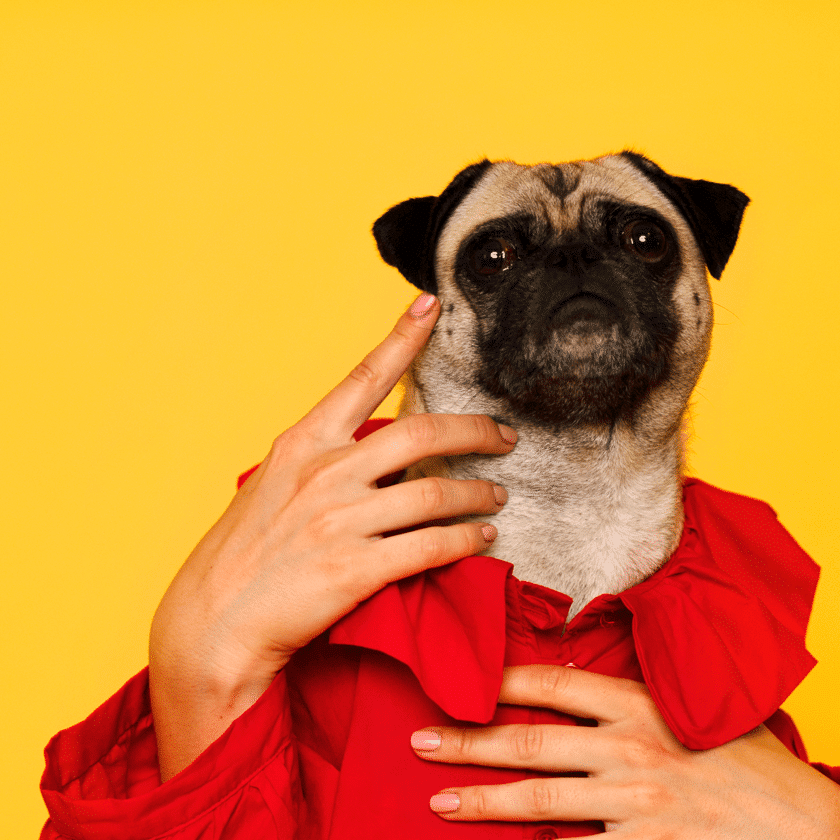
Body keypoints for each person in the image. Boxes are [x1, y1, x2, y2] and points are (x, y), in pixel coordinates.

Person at [41, 294, 840, 838]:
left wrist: (818, 819)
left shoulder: (731, 653)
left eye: (639, 242)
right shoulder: (305, 656)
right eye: (495, 258)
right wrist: (199, 663)